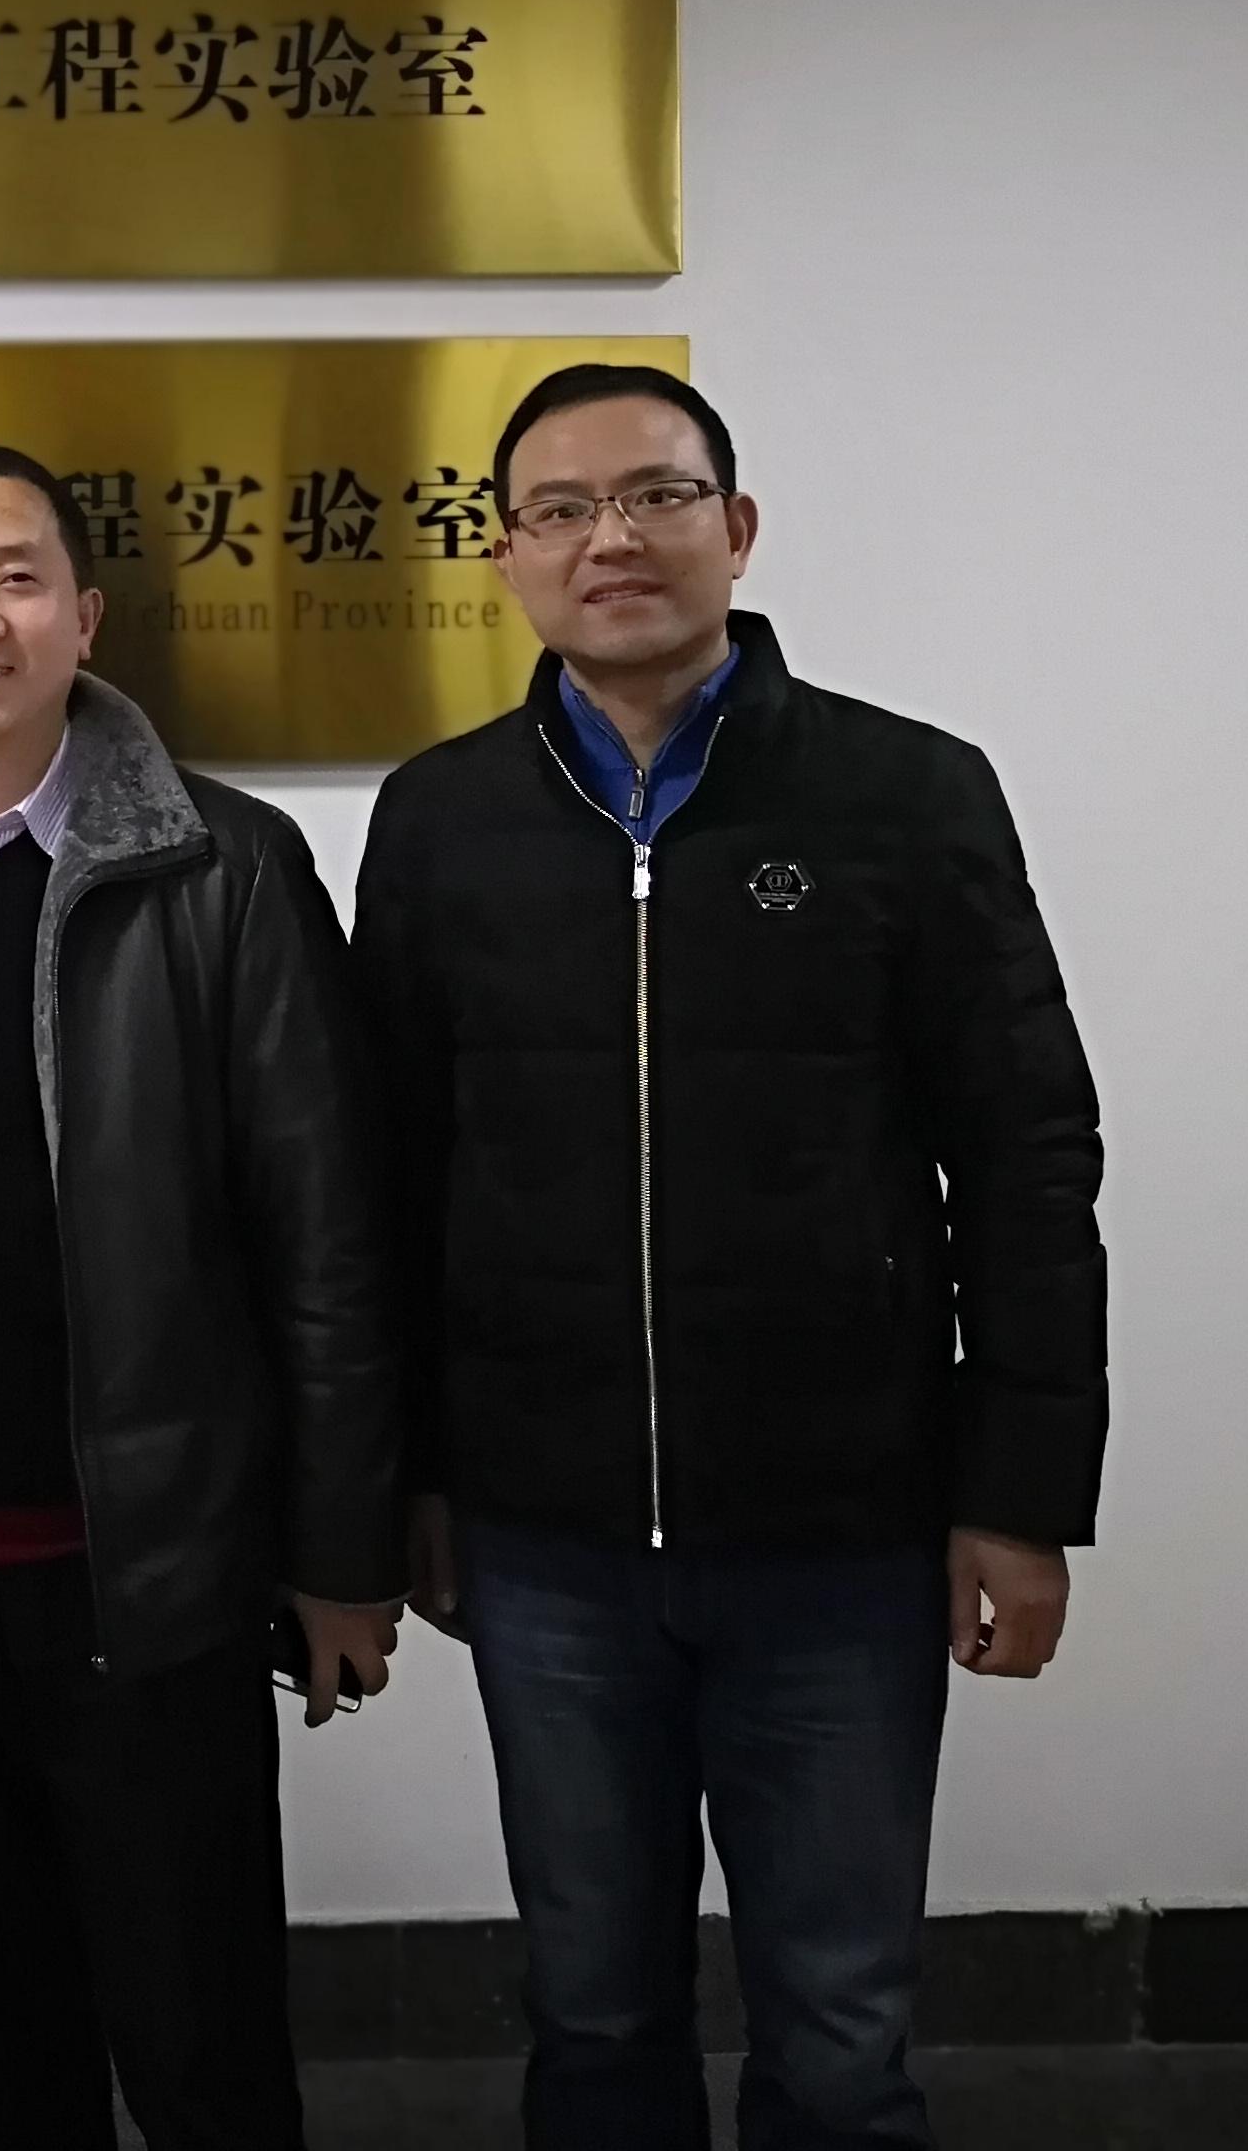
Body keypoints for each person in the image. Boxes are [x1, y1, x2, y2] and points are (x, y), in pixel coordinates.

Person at [354, 363, 1106, 2151]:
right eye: (560, 510)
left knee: (839, 2026)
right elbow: (386, 1179)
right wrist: (407, 1479)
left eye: (657, 495)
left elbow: (1025, 1156)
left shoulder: (905, 795)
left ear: (738, 528)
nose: (610, 538)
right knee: (593, 2011)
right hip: (545, 1541)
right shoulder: (442, 818)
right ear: (506, 555)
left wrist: (1019, 1495)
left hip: (842, 1531)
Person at [0, 444, 401, 2150]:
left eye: (18, 578)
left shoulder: (225, 866)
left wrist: (343, 1550)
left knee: (200, 2032)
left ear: (87, 618)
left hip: (156, 1567)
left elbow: (324, 1232)